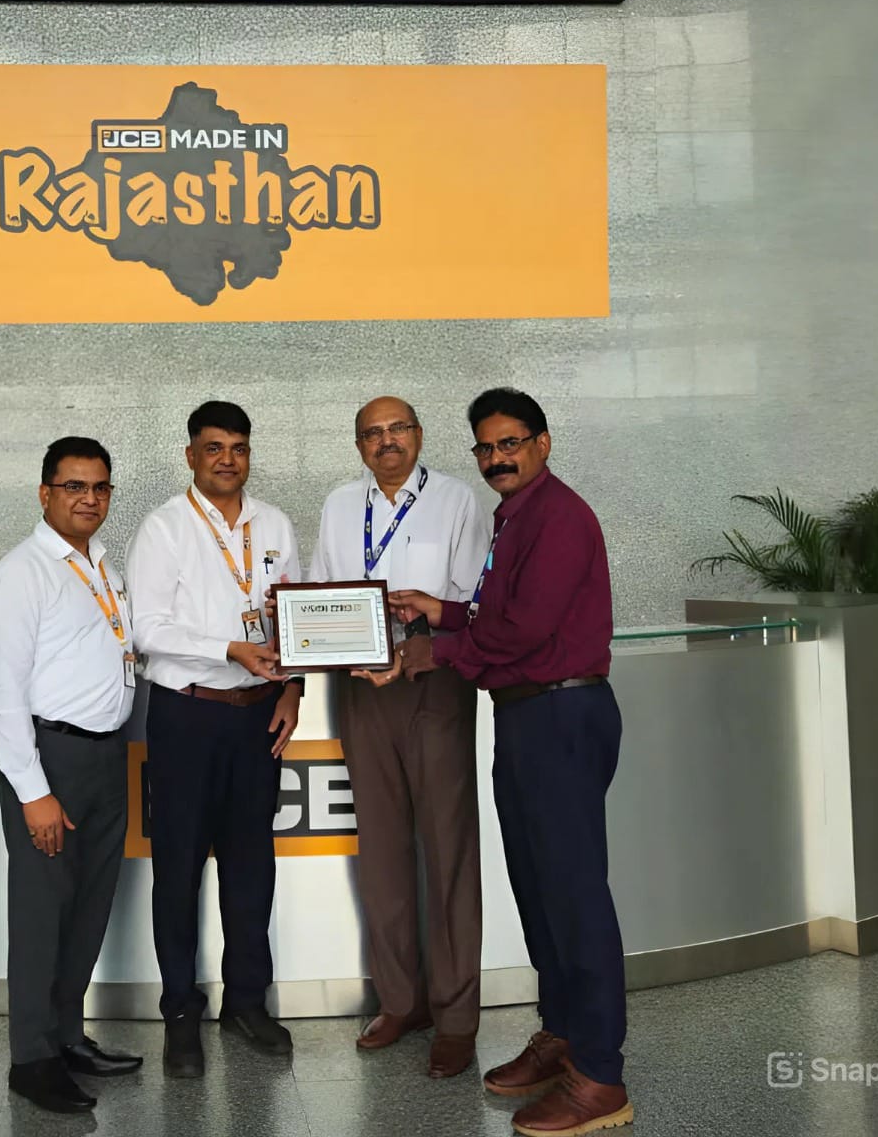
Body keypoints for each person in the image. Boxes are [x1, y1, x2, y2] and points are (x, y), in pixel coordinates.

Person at [388, 388, 632, 1137]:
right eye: (486, 448)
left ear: (542, 443)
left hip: (562, 714)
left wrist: (433, 652)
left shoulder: (560, 516)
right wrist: (441, 609)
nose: (497, 458)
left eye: (510, 443)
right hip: (525, 715)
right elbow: (498, 614)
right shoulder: (514, 516)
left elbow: (525, 629)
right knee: (538, 887)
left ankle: (601, 1075)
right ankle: (563, 1034)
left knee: (575, 896)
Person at [311, 396, 490, 1078]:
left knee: (447, 851)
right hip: (361, 686)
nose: (386, 441)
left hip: (432, 682)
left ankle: (456, 1019)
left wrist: (414, 645)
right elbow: (324, 593)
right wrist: (313, 631)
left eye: (397, 429)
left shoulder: (457, 500)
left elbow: (471, 604)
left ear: (418, 435)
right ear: (359, 445)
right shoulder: (338, 505)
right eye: (372, 433)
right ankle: (401, 1002)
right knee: (382, 850)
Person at [126, 400, 304, 1078]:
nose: (227, 459)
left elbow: (295, 619)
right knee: (177, 867)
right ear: (191, 455)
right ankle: (180, 1012)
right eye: (214, 447)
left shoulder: (276, 524)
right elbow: (147, 629)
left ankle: (247, 1003)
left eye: (238, 447)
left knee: (251, 864)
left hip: (258, 715)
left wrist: (293, 687)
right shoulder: (165, 527)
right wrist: (229, 647)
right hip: (188, 715)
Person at [0, 437, 144, 1115]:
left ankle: (68, 1036)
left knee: (88, 907)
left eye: (100, 487)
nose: (89, 498)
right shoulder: (22, 573)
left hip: (106, 756)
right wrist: (34, 792)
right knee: (42, 912)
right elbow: (3, 694)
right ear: (45, 493)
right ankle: (32, 1058)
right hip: (52, 761)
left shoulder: (102, 564)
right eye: (75, 486)